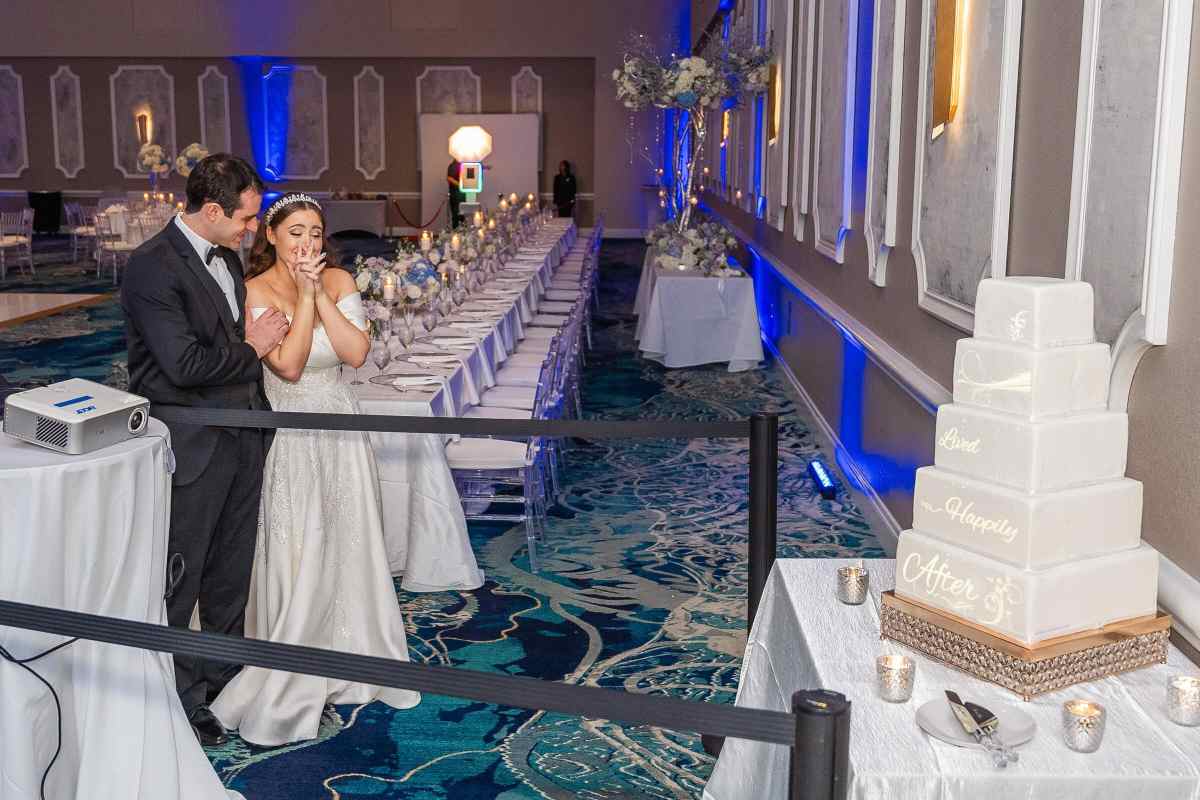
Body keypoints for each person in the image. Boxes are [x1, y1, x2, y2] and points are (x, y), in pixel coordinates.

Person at [209, 193, 420, 746]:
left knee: (349, 535)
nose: (307, 242)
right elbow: (290, 364)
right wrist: (303, 296)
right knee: (301, 538)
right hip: (291, 433)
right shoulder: (252, 291)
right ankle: (295, 649)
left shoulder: (342, 282)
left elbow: (355, 354)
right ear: (272, 236)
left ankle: (356, 647)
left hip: (342, 428)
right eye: (296, 231)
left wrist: (321, 294)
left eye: (316, 232)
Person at [121, 154, 288, 747]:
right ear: (212, 209)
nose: (251, 229)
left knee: (230, 573)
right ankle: (182, 699)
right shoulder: (151, 267)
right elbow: (183, 366)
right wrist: (255, 345)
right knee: (182, 580)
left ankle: (227, 681)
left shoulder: (226, 253)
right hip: (191, 442)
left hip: (243, 430)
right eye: (245, 218)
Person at [447, 158, 466, 228]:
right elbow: (449, 178)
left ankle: (461, 234)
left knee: (462, 215)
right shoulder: (454, 165)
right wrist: (461, 185)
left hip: (461, 194)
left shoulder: (463, 165)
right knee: (457, 215)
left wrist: (483, 167)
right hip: (456, 194)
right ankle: (456, 234)